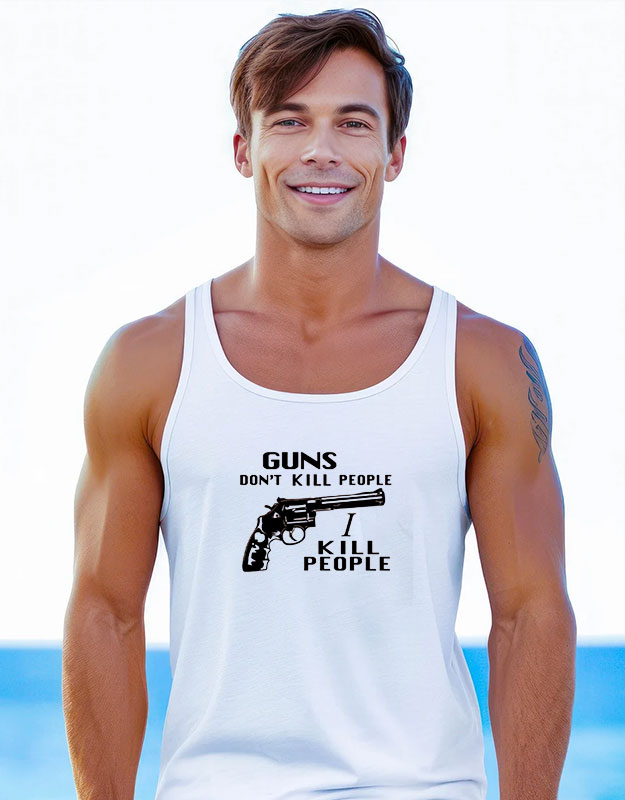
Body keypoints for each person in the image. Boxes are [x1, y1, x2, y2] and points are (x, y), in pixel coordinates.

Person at [62, 8, 576, 800]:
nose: (321, 150)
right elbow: (104, 610)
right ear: (244, 149)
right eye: (290, 120)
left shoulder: (482, 360)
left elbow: (530, 612)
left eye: (353, 123)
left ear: (394, 153)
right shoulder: (149, 362)